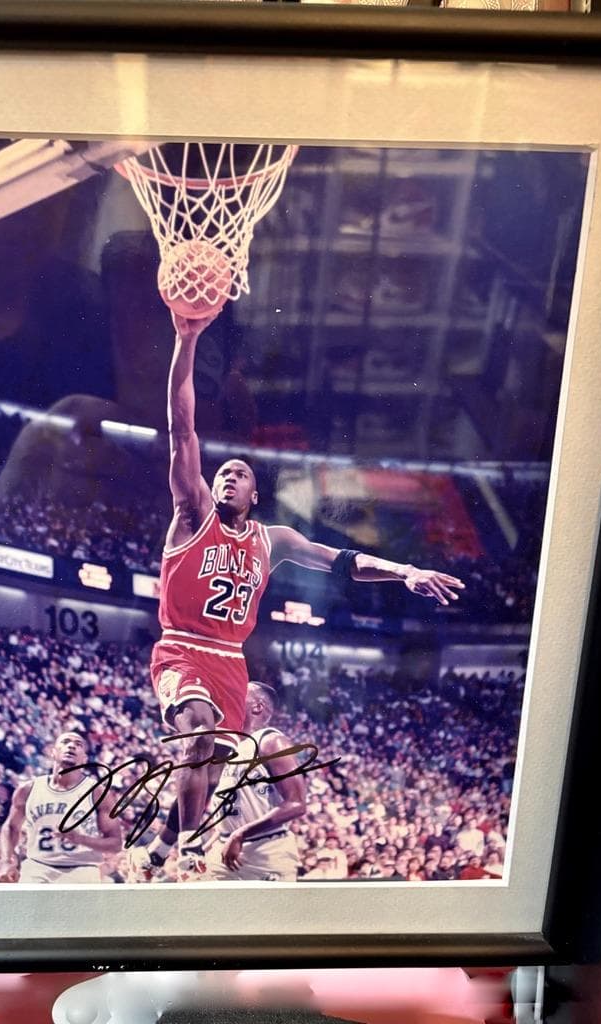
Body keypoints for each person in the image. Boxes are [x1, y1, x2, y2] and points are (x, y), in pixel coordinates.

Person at [130, 310, 465, 882]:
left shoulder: (273, 539)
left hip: (231, 658)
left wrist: (404, 570)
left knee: (213, 767)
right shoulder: (192, 514)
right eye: (222, 472)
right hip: (183, 646)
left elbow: (343, 562)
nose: (227, 477)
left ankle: (163, 845)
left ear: (255, 495)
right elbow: (181, 427)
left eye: (239, 474)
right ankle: (186, 849)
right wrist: (186, 341)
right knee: (198, 731)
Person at [203, 683, 306, 883]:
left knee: (268, 906)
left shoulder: (271, 741)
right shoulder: (227, 745)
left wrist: (240, 834)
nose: (227, 698)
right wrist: (213, 840)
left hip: (266, 852)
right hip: (224, 849)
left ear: (257, 707)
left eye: (237, 693)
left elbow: (297, 804)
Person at [0, 731, 122, 883]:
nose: (71, 746)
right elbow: (11, 827)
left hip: (82, 868)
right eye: (66, 742)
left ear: (85, 759)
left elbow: (115, 844)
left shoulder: (98, 792)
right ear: (53, 752)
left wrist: (80, 839)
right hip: (38, 866)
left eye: (78, 744)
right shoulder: (28, 789)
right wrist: (5, 860)